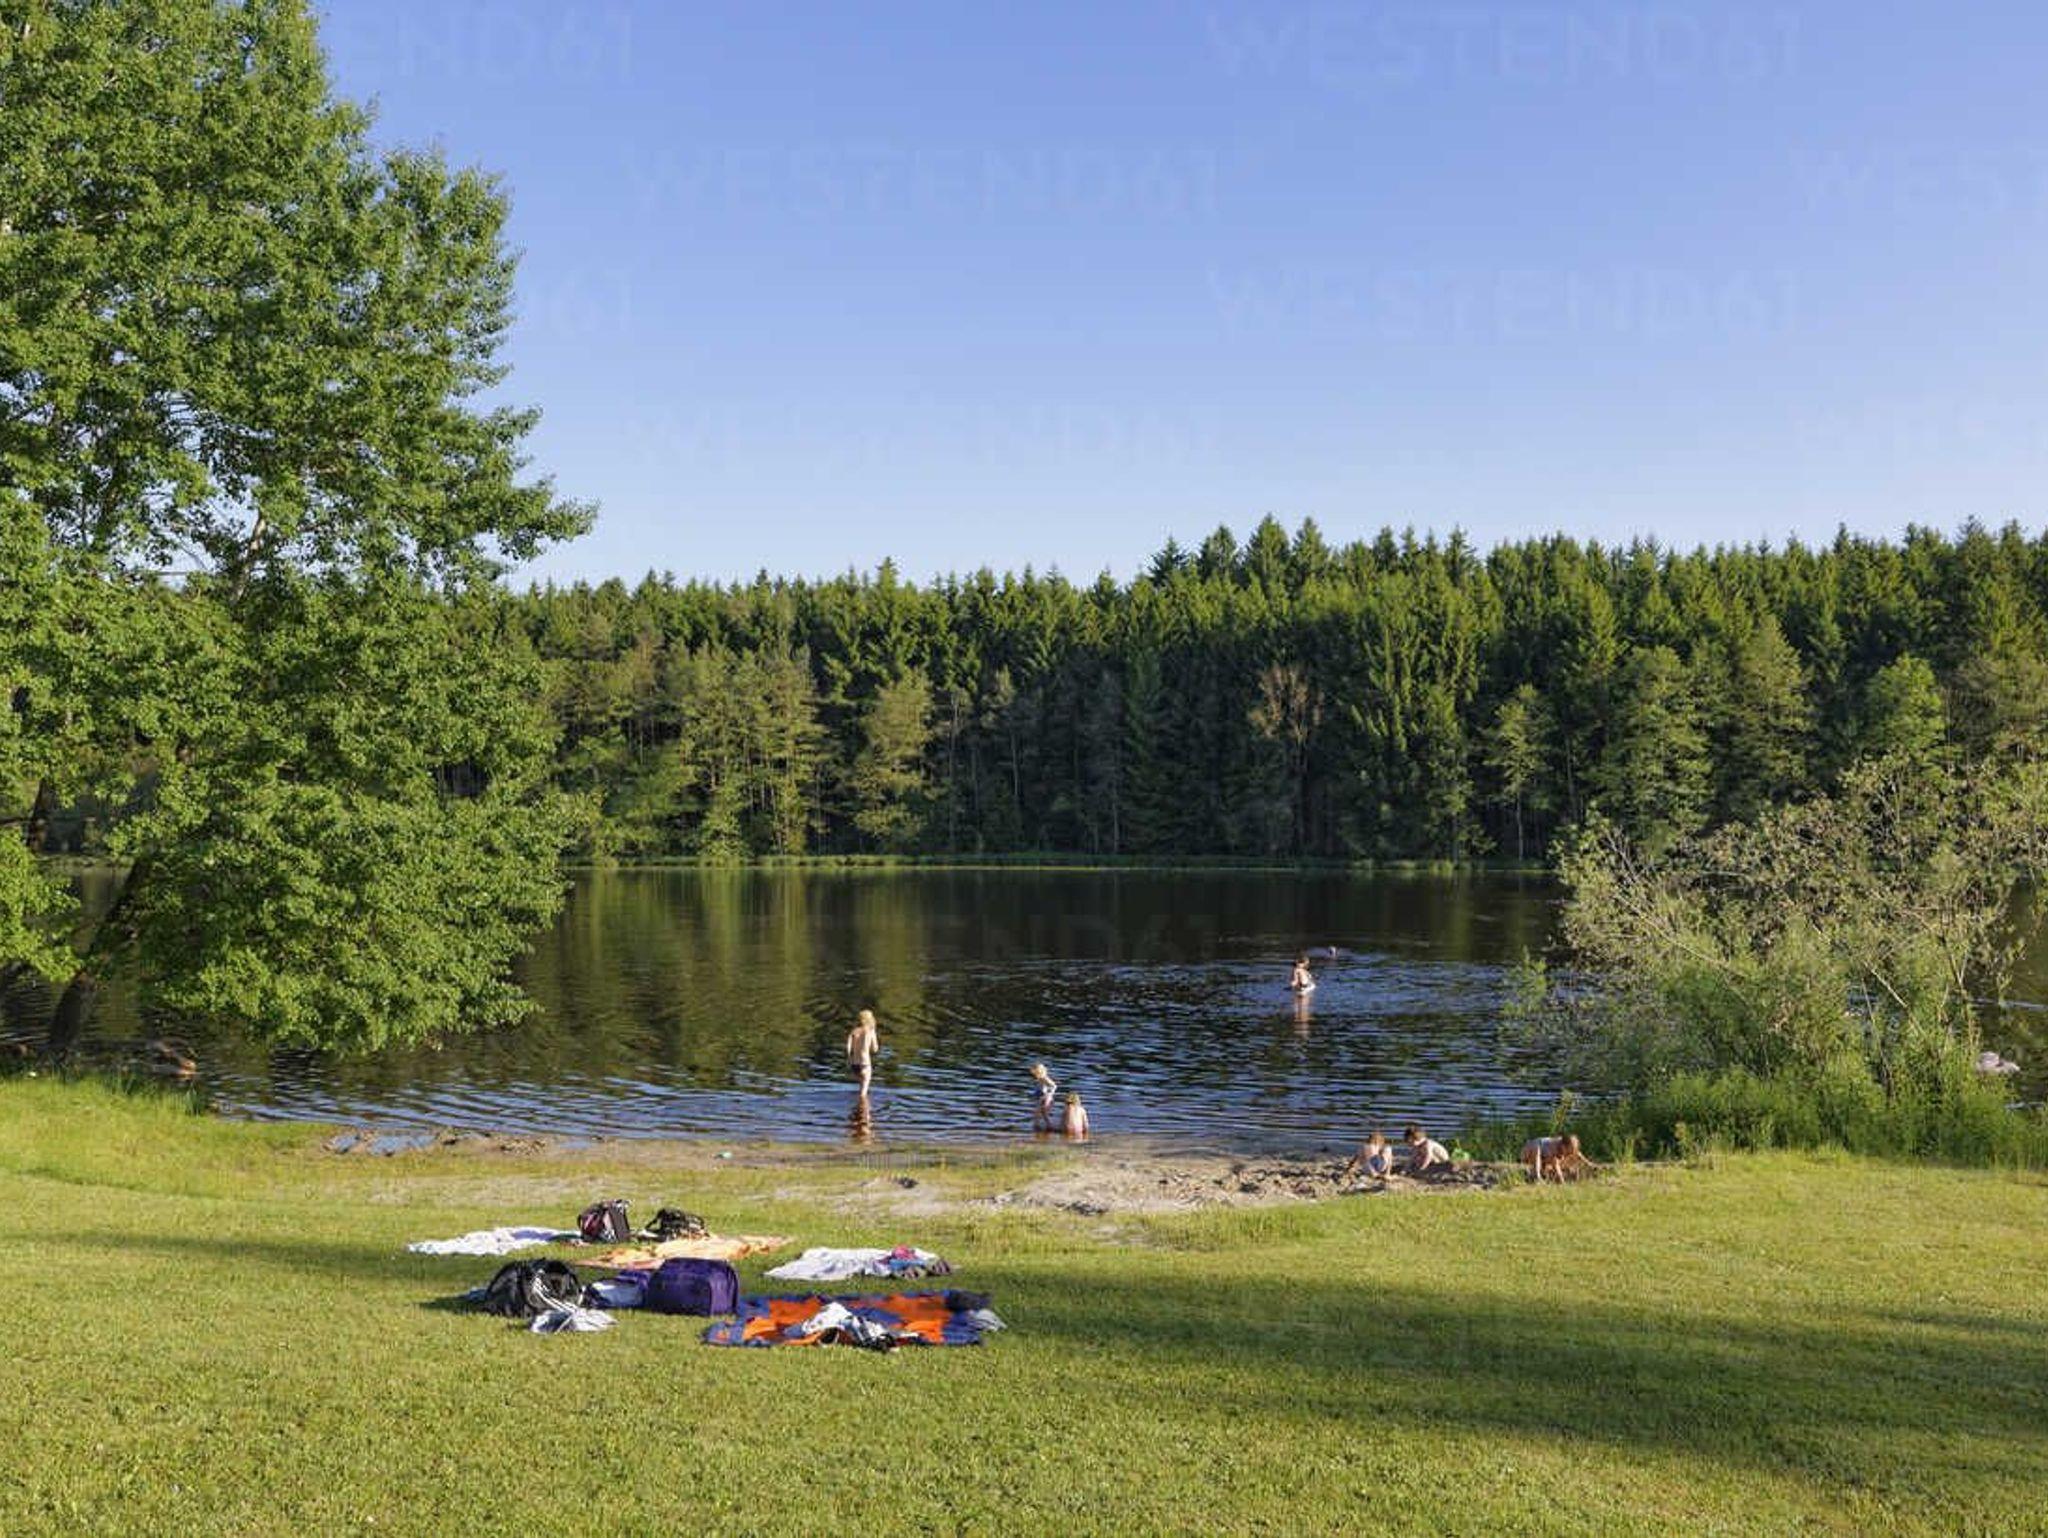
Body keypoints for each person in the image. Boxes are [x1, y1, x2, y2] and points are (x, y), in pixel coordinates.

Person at [1522, 1132, 1592, 1183]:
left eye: (1571, 1152)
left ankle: (1535, 1174)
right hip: (1530, 1149)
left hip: (1544, 1157)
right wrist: (1562, 1179)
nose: (1568, 1154)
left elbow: (1578, 1154)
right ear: (1564, 1146)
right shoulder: (1555, 1145)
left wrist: (1589, 1164)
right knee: (1537, 1149)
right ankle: (1538, 1177)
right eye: (1568, 1151)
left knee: (1550, 1167)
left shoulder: (1566, 1147)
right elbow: (1555, 1164)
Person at [845, 1008, 879, 1096]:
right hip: (865, 1062)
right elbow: (875, 1049)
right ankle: (863, 1104)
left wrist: (849, 1059)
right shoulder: (870, 1030)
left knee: (861, 1088)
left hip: (854, 1063)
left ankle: (858, 1104)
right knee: (863, 1093)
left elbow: (848, 1047)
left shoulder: (854, 1031)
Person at [1030, 1062, 1059, 1131]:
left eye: (1035, 1074)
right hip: (1040, 1098)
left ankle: (1041, 1126)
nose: (1034, 1076)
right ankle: (1042, 1126)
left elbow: (1054, 1086)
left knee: (1041, 1113)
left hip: (1045, 1099)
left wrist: (1049, 1094)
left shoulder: (1045, 1078)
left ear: (1039, 1073)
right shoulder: (1040, 1079)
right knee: (1041, 1114)